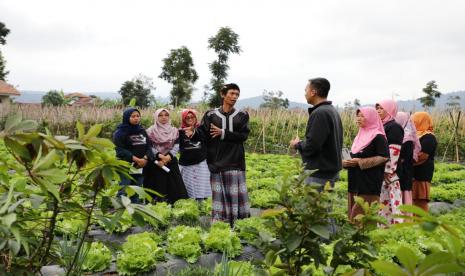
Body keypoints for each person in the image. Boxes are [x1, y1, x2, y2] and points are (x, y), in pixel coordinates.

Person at [186, 83, 250, 226]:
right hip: (216, 163)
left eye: (237, 94)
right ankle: (221, 225)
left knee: (235, 197)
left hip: (235, 162)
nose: (234, 97)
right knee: (219, 197)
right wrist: (194, 133)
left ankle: (239, 224)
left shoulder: (242, 115)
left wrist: (223, 133)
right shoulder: (211, 115)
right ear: (223, 94)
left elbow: (243, 136)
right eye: (232, 93)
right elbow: (203, 134)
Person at [289, 77, 343, 189]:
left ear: (313, 92)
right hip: (328, 171)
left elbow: (312, 145)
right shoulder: (331, 111)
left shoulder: (320, 113)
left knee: (315, 205)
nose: (305, 94)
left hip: (318, 173)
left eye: (306, 90)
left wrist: (297, 144)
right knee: (324, 205)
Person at [343, 107, 389, 222]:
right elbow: (355, 156)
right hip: (355, 182)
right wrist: (346, 162)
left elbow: (384, 157)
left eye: (362, 116)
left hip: (369, 184)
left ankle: (364, 240)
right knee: (353, 219)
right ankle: (355, 240)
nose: (358, 118)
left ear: (371, 118)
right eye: (358, 116)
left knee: (362, 219)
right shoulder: (358, 137)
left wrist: (360, 162)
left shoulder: (378, 137)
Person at [144, 108, 188, 204]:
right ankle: (157, 205)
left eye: (166, 115)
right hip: (156, 162)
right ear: (156, 117)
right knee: (156, 186)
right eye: (160, 115)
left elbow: (177, 145)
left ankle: (175, 206)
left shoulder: (174, 131)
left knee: (175, 187)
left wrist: (169, 156)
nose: (164, 117)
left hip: (170, 161)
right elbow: (149, 146)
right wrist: (160, 155)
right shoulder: (150, 131)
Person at [113, 108, 153, 203]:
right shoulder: (120, 132)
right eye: (133, 116)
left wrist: (145, 158)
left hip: (140, 166)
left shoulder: (142, 130)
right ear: (127, 117)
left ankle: (135, 209)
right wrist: (136, 159)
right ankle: (121, 210)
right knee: (124, 188)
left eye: (138, 116)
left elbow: (149, 146)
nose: (136, 118)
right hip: (126, 165)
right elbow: (120, 150)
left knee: (137, 188)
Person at [375, 99, 404, 224]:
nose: (378, 111)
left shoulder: (394, 127)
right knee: (384, 200)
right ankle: (384, 225)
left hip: (390, 172)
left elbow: (394, 151)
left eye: (381, 108)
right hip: (381, 169)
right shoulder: (381, 125)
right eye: (377, 108)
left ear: (389, 110)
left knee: (391, 200)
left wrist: (388, 170)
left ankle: (395, 227)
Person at [178, 109, 212, 201]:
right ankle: (190, 205)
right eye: (187, 117)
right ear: (184, 119)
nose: (190, 119)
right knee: (188, 186)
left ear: (195, 118)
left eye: (192, 117)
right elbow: (177, 146)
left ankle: (202, 205)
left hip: (201, 163)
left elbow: (206, 140)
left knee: (201, 185)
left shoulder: (201, 130)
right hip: (186, 164)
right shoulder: (180, 132)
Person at [412, 112, 437, 212]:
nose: (413, 123)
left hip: (422, 174)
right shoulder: (415, 135)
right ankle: (415, 224)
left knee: (420, 199)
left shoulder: (429, 137)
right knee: (413, 200)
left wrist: (406, 160)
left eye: (415, 121)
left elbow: (422, 156)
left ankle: (422, 224)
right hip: (413, 172)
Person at [395, 112, 422, 206]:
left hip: (404, 171)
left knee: (403, 193)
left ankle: (405, 217)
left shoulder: (407, 138)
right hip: (402, 169)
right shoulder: (400, 135)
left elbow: (404, 157)